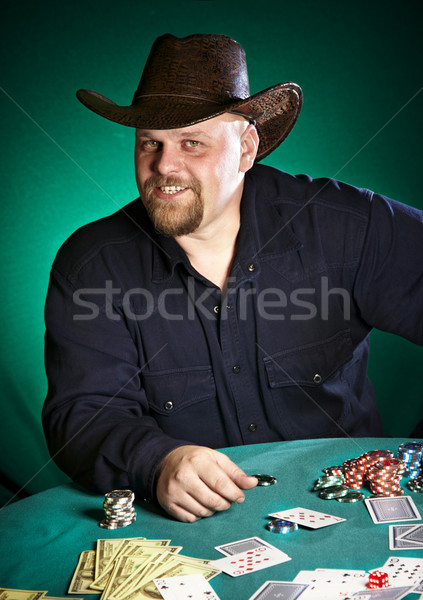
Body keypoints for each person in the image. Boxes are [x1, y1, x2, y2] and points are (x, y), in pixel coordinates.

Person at [42, 33, 423, 523]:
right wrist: (156, 461)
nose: (164, 166)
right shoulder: (92, 263)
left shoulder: (347, 223)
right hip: (188, 531)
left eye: (191, 142)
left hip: (356, 515)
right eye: (149, 143)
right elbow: (81, 415)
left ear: (246, 148)